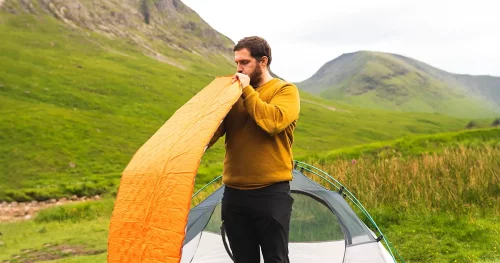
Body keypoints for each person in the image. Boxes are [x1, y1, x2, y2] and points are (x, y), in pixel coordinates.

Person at [207, 36, 300, 263]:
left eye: (245, 62)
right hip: (234, 194)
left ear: (263, 61)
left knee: (275, 259)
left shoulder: (285, 90)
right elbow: (213, 131)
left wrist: (247, 91)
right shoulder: (233, 93)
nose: (239, 68)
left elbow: (272, 122)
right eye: (237, 62)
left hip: (270, 193)